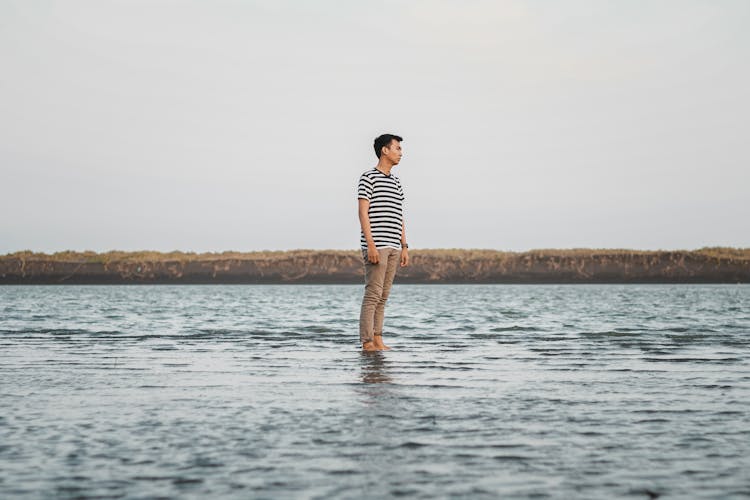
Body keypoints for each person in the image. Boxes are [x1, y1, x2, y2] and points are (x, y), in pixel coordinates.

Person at [357, 133, 409, 352]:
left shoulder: (396, 181)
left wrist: (404, 245)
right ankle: (367, 341)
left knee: (384, 295)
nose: (401, 153)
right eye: (397, 148)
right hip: (377, 245)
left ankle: (378, 339)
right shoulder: (368, 177)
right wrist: (371, 245)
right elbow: (363, 212)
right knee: (373, 294)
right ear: (384, 150)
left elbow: (399, 214)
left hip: (394, 246)